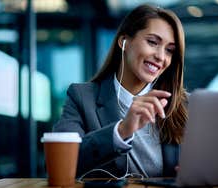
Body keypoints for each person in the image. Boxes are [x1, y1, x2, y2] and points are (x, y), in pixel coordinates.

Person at [53, 4, 187, 178]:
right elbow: (60, 163)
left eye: (170, 51)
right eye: (153, 42)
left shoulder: (185, 105)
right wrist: (122, 130)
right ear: (124, 42)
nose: (161, 56)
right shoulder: (82, 97)